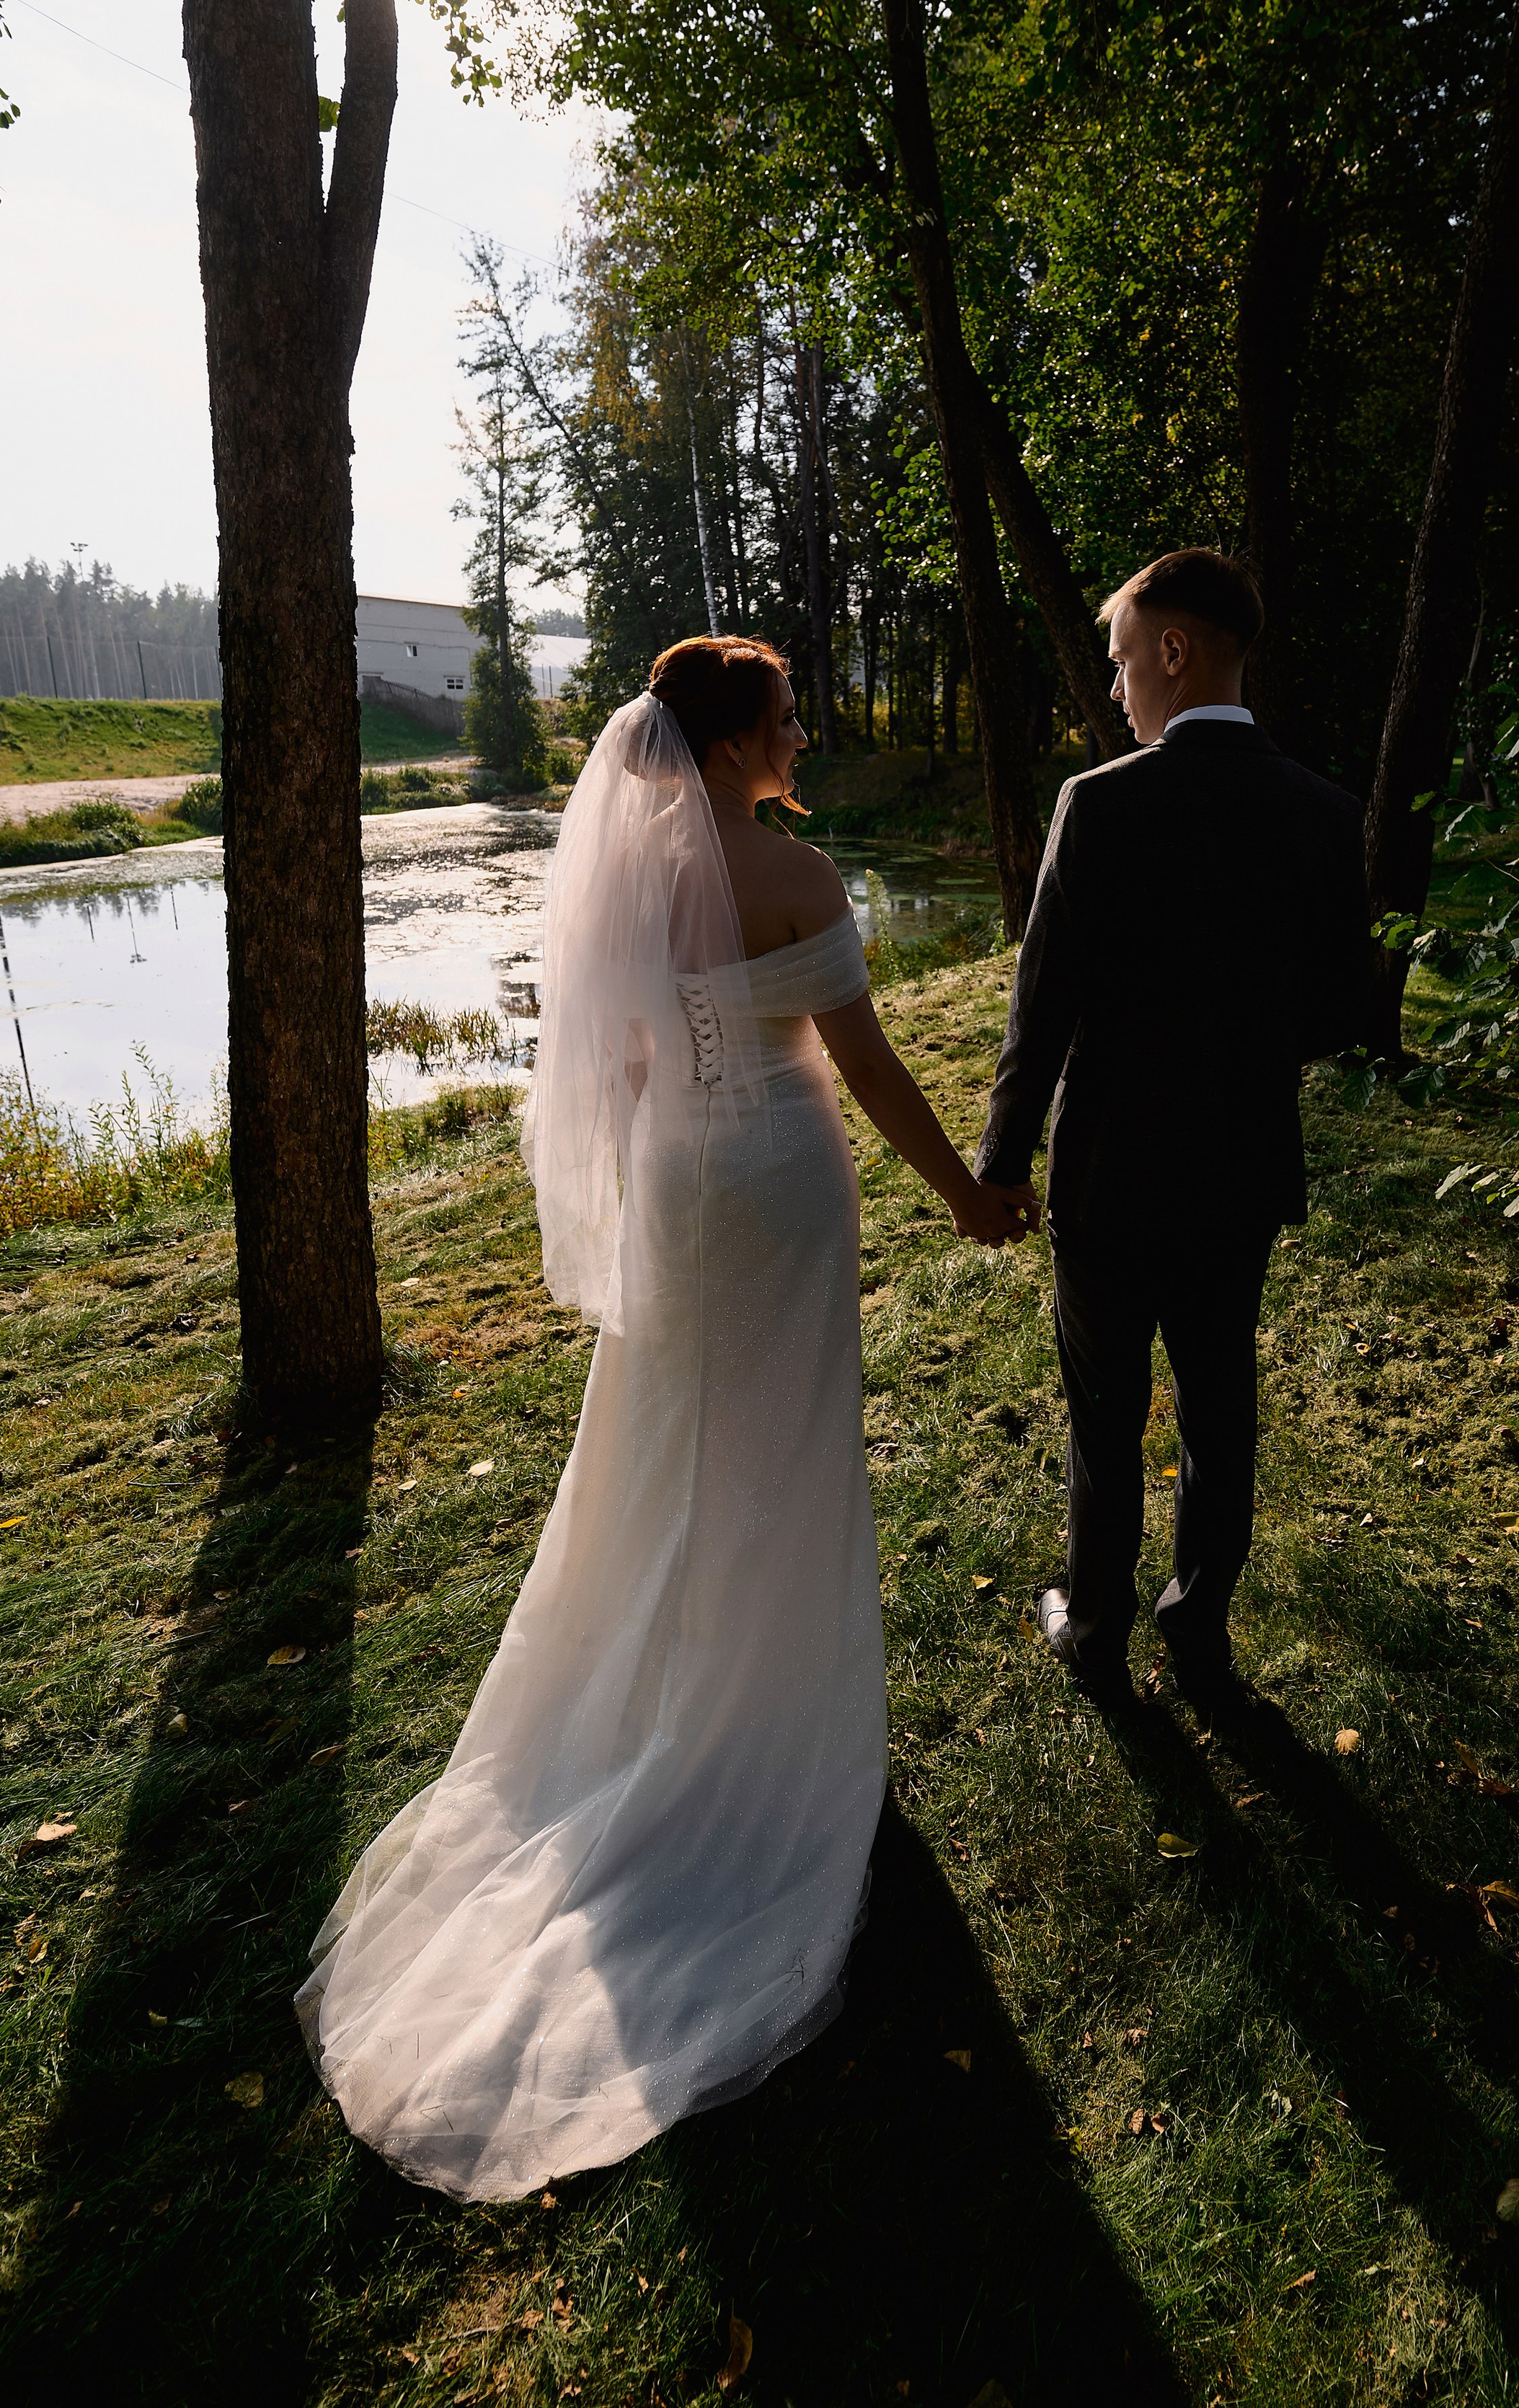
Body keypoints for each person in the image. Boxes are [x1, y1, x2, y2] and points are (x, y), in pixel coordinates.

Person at [296, 636, 1025, 2201]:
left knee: (667, 1450)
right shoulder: (797, 876)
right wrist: (964, 1188)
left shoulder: (621, 887)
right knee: (781, 1453)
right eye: (782, 715)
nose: (798, 730)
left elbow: (616, 1076)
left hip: (686, 1195)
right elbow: (869, 1065)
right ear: (735, 742)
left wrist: (643, 1202)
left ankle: (665, 1689)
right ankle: (762, 1725)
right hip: (779, 1186)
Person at [973, 548, 1369, 1711]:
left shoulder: (1099, 805)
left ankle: (1093, 1630)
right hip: (1241, 1166)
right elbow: (1343, 1011)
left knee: (1105, 1417)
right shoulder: (1322, 811)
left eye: (1122, 661)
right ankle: (1198, 1635)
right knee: (1220, 1402)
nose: (1115, 689)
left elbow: (1038, 1010)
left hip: (1110, 1174)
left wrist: (999, 1164)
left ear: (1176, 650)